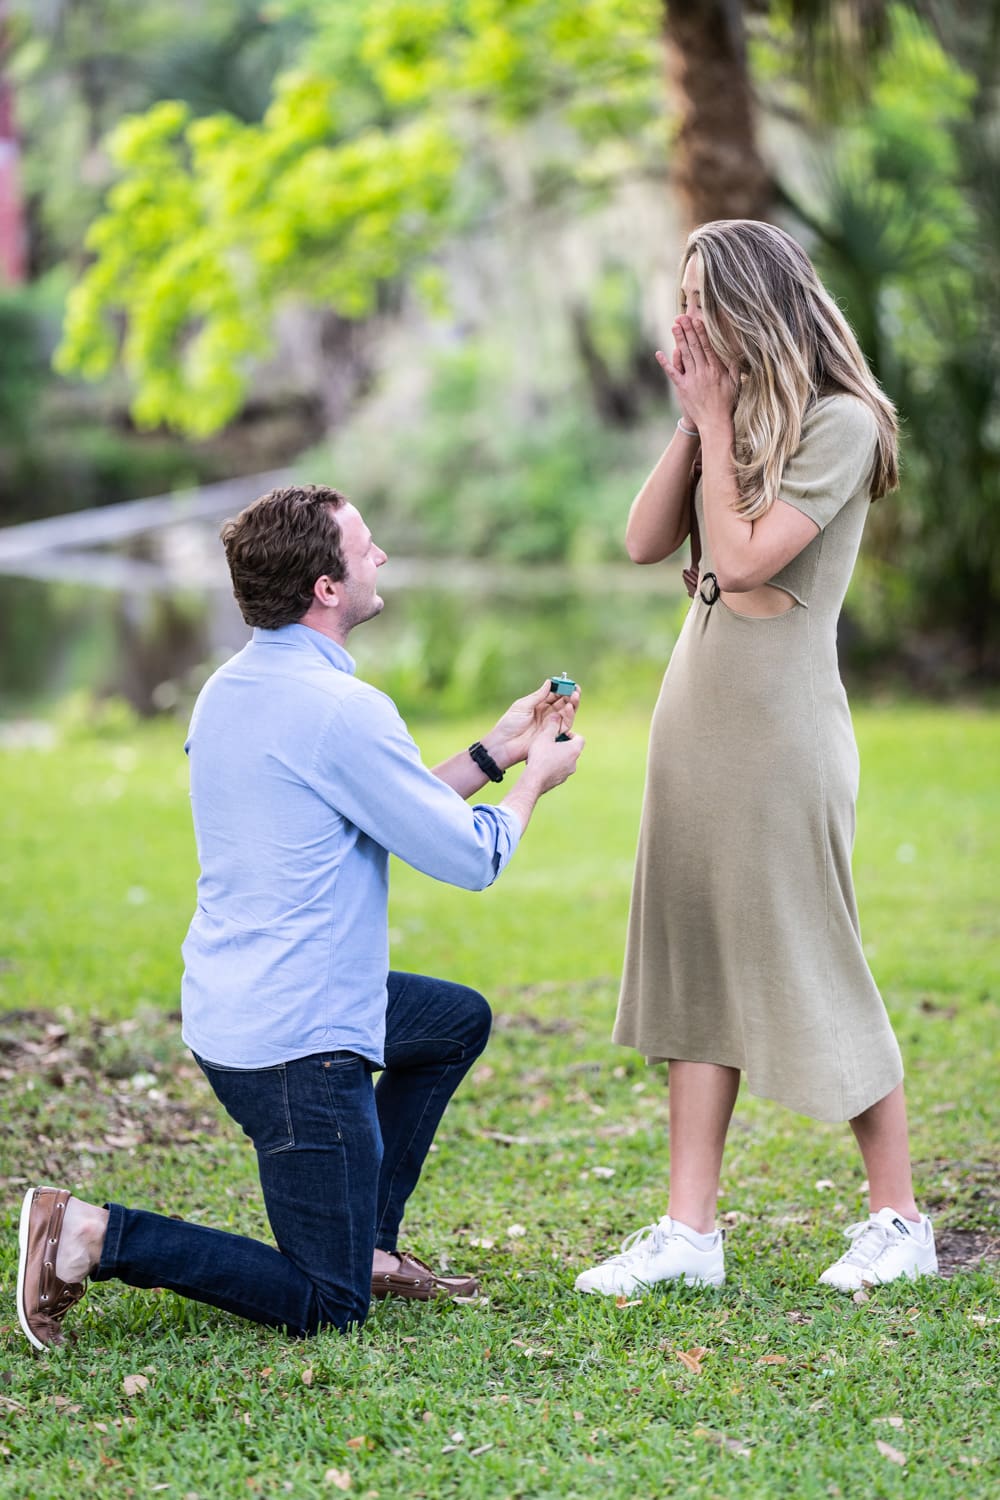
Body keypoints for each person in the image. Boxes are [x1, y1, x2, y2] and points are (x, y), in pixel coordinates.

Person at [17, 483, 584, 1349]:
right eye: (366, 546)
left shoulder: (234, 688)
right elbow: (471, 857)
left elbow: (383, 810)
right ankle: (91, 1234)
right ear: (326, 587)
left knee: (453, 1020)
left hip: (243, 1005)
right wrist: (539, 778)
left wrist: (496, 753)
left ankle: (370, 1244)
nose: (381, 556)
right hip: (298, 1045)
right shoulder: (338, 710)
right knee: (327, 1303)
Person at [574, 220, 937, 1298]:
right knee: (693, 956)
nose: (680, 320)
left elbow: (735, 566)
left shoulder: (840, 424)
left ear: (750, 304)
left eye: (697, 295)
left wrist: (716, 413)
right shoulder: (734, 429)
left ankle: (900, 1219)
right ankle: (688, 1233)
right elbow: (645, 542)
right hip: (696, 730)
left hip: (780, 736)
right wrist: (697, 427)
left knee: (814, 952)